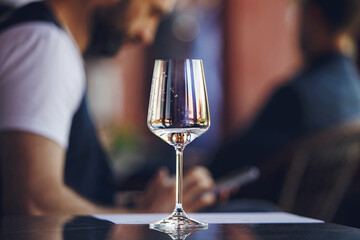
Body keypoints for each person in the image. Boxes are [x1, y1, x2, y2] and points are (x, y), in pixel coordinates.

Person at [0, 0, 216, 215]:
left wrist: (135, 205)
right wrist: (143, 219)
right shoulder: (44, 45)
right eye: (152, 12)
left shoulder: (47, 43)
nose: (148, 36)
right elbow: (33, 203)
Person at [210, 0, 360, 202]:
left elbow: (223, 168)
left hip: (260, 220)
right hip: (322, 219)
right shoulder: (354, 90)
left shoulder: (295, 97)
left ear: (312, 15)